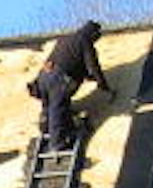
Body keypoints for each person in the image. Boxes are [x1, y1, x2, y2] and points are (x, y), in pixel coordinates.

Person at [29, 19, 113, 151]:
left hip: (43, 78)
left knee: (49, 107)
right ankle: (56, 143)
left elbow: (70, 61)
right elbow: (93, 67)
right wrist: (103, 85)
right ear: (92, 34)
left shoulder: (65, 39)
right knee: (58, 108)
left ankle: (45, 126)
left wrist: (87, 75)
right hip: (58, 79)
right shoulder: (84, 41)